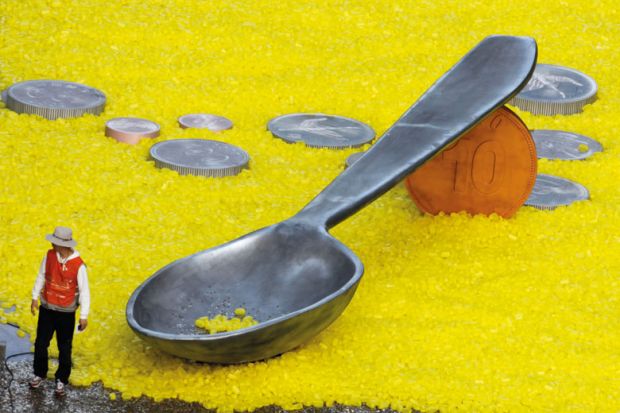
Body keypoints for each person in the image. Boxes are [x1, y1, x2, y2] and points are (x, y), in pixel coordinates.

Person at [29, 226, 90, 397]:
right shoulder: (48, 256)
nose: (52, 245)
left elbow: (85, 291)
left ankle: (61, 380)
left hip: (66, 313)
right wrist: (35, 296)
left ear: (63, 245)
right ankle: (39, 373)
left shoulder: (79, 265)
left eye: (55, 243)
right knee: (41, 343)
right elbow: (41, 275)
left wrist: (83, 315)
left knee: (64, 347)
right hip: (47, 308)